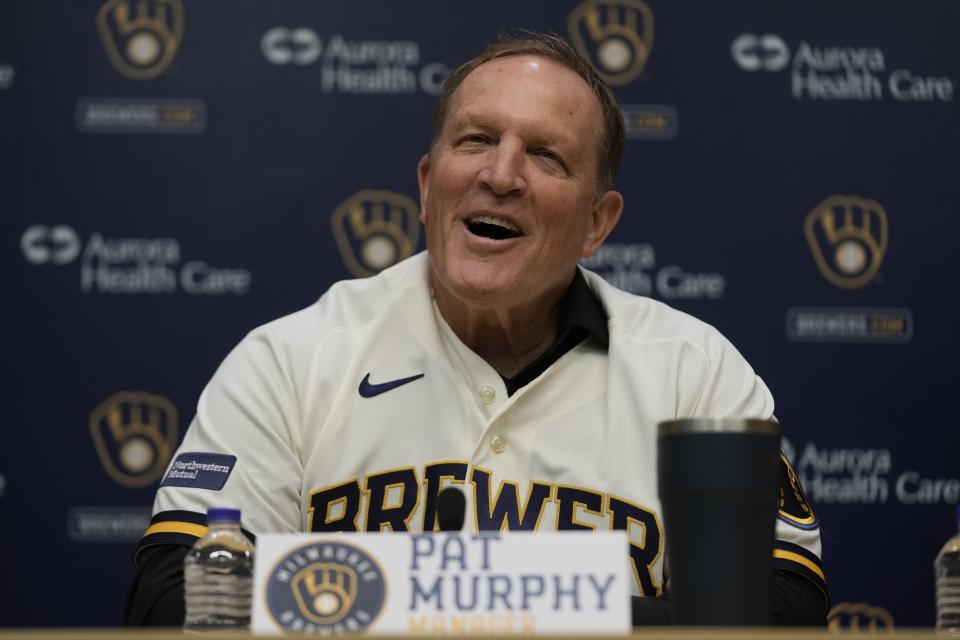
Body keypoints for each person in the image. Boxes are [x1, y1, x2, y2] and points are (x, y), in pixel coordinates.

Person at [125, 32, 827, 626]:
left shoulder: (694, 373)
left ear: (596, 223)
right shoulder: (289, 360)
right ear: (429, 185)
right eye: (478, 140)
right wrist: (545, 600)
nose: (502, 173)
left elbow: (782, 609)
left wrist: (409, 597)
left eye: (546, 156)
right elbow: (175, 600)